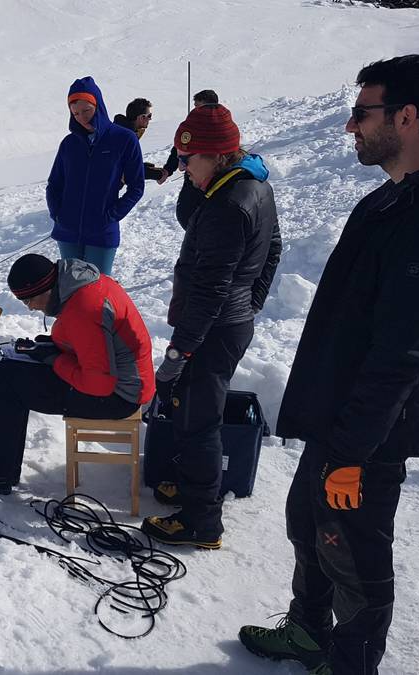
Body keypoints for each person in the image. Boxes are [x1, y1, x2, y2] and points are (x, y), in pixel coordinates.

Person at [238, 55, 419, 675]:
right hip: (343, 416)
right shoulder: (396, 201)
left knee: (354, 553)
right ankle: (309, 631)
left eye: (362, 112)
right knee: (308, 523)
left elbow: (404, 353)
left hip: (371, 430)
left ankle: (352, 664)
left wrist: (352, 451)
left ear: (407, 117)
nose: (350, 126)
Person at [139, 103, 281, 549]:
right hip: (227, 322)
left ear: (217, 155)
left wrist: (179, 352)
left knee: (197, 420)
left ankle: (202, 522)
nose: (182, 168)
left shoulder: (227, 204)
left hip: (212, 328)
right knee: (192, 411)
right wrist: (251, 303)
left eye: (188, 159)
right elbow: (274, 249)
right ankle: (191, 487)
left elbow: (210, 290)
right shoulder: (252, 184)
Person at [0, 254, 154, 494]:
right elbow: (96, 344)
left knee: (9, 382)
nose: (30, 307)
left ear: (47, 288)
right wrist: (53, 347)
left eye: (29, 299)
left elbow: (98, 384)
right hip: (125, 382)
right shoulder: (80, 283)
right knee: (8, 371)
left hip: (118, 397)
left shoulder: (83, 309)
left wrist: (54, 359)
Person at [46, 77, 145, 276]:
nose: (81, 118)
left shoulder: (124, 139)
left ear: (98, 106)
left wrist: (111, 216)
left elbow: (136, 187)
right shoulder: (69, 144)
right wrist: (57, 214)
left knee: (97, 289)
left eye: (86, 110)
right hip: (67, 232)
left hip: (102, 232)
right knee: (70, 289)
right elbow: (54, 184)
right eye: (75, 113)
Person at [174, 89, 221, 227]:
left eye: (198, 107)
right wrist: (167, 169)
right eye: (195, 107)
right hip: (192, 180)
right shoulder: (191, 125)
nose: (195, 110)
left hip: (208, 181)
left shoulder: (220, 128)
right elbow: (178, 149)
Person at [113, 98, 179, 184]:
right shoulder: (126, 136)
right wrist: (156, 174)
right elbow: (124, 171)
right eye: (149, 116)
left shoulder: (123, 131)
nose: (150, 119)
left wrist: (143, 167)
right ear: (141, 117)